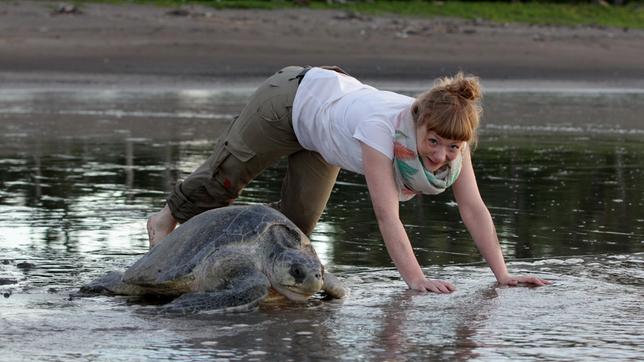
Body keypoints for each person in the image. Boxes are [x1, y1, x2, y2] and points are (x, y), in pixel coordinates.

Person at [147, 65, 551, 293]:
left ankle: (245, 273)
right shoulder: (381, 130)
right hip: (289, 103)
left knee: (296, 226)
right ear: (418, 121)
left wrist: (503, 274)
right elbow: (386, 214)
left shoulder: (453, 144)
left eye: (452, 147)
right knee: (224, 185)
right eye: (433, 142)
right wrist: (416, 280)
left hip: (323, 137)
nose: (441, 154)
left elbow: (473, 207)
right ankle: (163, 222)